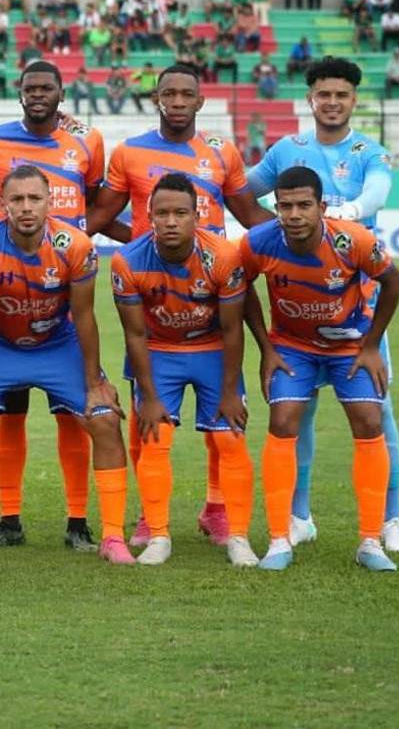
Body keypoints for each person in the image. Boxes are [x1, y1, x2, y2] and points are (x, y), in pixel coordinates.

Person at [86, 63, 271, 546]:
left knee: (221, 425)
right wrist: (129, 242)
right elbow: (103, 215)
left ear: (199, 101)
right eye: (168, 93)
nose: (177, 100)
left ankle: (217, 509)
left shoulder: (221, 152)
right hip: (154, 292)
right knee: (149, 417)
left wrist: (312, 237)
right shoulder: (130, 152)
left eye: (186, 93)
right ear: (157, 99)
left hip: (214, 284)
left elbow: (249, 214)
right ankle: (151, 516)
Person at [248, 56, 399, 555]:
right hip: (298, 304)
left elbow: (379, 192)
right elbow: (244, 190)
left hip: (356, 305)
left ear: (353, 99)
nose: (332, 102)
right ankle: (298, 517)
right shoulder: (288, 149)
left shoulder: (368, 151)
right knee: (297, 414)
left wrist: (349, 213)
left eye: (341, 94)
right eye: (324, 94)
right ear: (310, 99)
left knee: (378, 412)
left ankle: (390, 519)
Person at [0, 164, 132, 566]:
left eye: (34, 199)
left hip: (57, 346)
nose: (26, 207)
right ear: (3, 204)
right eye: (17, 199)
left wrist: (95, 381)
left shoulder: (75, 245)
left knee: (105, 418)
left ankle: (113, 538)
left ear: (49, 203)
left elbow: (85, 318)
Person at [0, 62, 107, 551]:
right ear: (18, 93)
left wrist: (81, 240)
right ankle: (9, 520)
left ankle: (78, 521)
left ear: (62, 93)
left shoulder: (89, 140)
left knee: (71, 414)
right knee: (10, 412)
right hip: (6, 292)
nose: (38, 95)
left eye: (47, 88)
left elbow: (101, 201)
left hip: (60, 287)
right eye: (30, 88)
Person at [111, 173, 256, 567]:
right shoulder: (127, 260)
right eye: (162, 213)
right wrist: (150, 397)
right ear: (149, 215)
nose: (171, 221)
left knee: (230, 439)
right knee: (155, 436)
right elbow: (135, 335)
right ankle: (158, 536)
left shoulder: (224, 256)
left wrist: (229, 391)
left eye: (180, 213)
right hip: (160, 351)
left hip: (211, 350)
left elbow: (231, 328)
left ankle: (239, 537)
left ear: (198, 215)